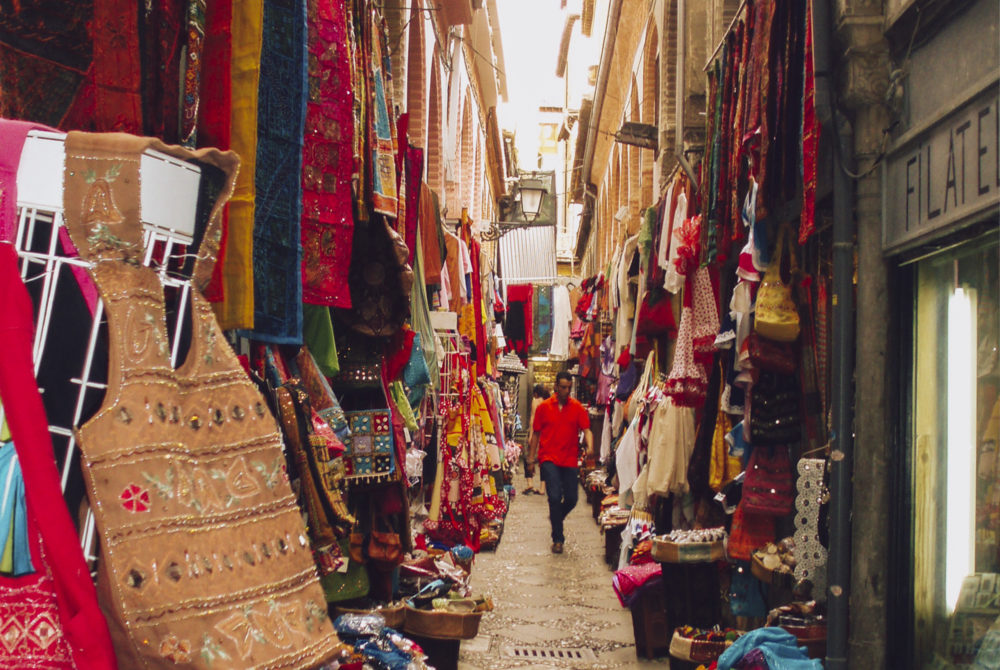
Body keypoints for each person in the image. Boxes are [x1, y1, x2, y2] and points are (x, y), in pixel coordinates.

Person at [528, 371, 593, 554]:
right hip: (549, 459)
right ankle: (558, 539)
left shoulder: (577, 408)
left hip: (570, 459)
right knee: (554, 497)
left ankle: (556, 517)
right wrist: (531, 460)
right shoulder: (544, 407)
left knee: (572, 499)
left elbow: (587, 430)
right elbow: (536, 435)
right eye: (563, 387)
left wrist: (590, 447)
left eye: (569, 388)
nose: (566, 391)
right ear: (556, 386)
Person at [523, 384, 550, 495]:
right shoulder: (548, 402)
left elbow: (533, 418)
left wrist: (530, 435)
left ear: (535, 393)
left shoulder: (536, 401)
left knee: (528, 457)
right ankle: (542, 488)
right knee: (543, 461)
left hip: (536, 433)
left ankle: (530, 483)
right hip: (546, 434)